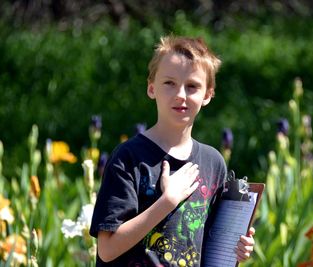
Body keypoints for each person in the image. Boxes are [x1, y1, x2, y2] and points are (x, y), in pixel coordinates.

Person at [89, 35, 255, 266]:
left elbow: (211, 245)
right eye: (169, 83)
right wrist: (167, 202)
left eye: (192, 86)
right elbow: (107, 249)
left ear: (207, 95)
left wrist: (236, 248)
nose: (180, 95)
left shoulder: (213, 162)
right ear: (151, 88)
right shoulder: (129, 158)